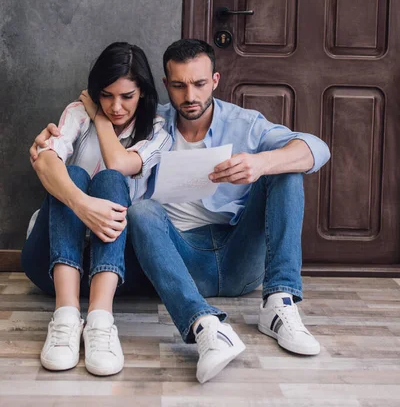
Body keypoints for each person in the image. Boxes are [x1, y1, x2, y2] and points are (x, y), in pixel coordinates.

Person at [30, 38, 330, 384]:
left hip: (239, 253)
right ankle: (204, 326)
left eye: (200, 84)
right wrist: (54, 154)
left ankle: (279, 303)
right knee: (141, 211)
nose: (190, 96)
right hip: (179, 257)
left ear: (215, 80)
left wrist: (261, 162)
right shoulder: (155, 122)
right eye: (179, 85)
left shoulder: (244, 124)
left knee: (287, 169)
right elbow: (106, 162)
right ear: (164, 85)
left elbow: (316, 148)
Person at [23, 42, 171, 377]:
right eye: (106, 96)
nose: (116, 106)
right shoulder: (77, 111)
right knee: (71, 174)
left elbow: (120, 163)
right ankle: (64, 317)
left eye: (127, 97)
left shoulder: (157, 131)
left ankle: (101, 322)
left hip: (113, 270)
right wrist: (81, 204)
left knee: (110, 180)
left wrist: (100, 116)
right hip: (48, 261)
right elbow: (45, 161)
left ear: (143, 93)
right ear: (95, 91)